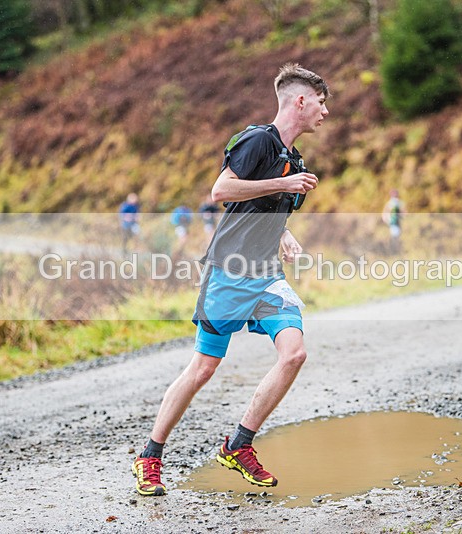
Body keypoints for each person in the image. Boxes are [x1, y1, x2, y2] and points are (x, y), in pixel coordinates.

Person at [131, 63, 329, 496]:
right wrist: (283, 182)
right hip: (229, 272)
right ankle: (149, 456)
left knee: (294, 354)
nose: (324, 111)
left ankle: (238, 444)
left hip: (267, 277)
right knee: (203, 367)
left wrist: (286, 234)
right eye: (320, 101)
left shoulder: (294, 159)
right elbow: (223, 191)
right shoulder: (259, 140)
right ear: (300, 100)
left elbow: (263, 207)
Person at [381, 189, 405, 254]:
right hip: (394, 223)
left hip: (394, 223)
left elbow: (384, 214)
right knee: (395, 238)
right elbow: (404, 213)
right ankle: (395, 251)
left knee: (395, 238)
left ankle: (395, 251)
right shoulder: (395, 203)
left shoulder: (393, 203)